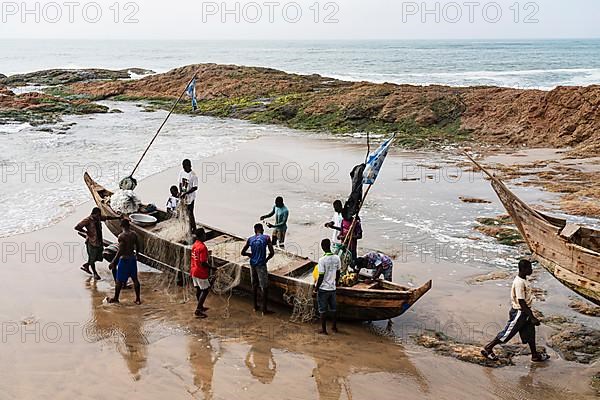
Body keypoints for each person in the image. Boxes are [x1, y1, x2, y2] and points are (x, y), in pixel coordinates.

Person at [481, 260, 550, 362]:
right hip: (519, 312)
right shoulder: (519, 283)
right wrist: (532, 317)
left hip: (525, 312)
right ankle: (488, 348)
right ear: (523, 269)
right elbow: (521, 301)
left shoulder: (524, 280)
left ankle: (535, 355)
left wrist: (530, 315)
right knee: (507, 334)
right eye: (529, 268)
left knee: (530, 334)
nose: (531, 270)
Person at [74, 207, 120, 280]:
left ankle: (86, 265)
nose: (99, 216)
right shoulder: (87, 220)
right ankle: (95, 273)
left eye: (99, 215)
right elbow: (77, 227)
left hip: (99, 241)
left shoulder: (98, 218)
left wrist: (117, 217)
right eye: (98, 215)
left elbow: (107, 217)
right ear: (94, 214)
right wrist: (86, 232)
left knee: (98, 256)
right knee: (92, 258)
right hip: (91, 242)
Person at [241, 223, 275, 314]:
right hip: (261, 265)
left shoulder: (250, 239)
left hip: (252, 264)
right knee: (264, 287)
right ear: (262, 230)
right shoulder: (266, 238)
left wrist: (250, 255)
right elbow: (272, 253)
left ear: (255, 231)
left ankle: (255, 306)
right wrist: (266, 259)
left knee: (254, 285)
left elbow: (243, 252)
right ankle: (264, 310)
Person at [108, 219, 141, 305]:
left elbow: (120, 251)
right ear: (129, 225)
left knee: (119, 281)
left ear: (121, 226)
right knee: (135, 279)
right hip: (132, 259)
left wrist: (113, 262)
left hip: (124, 260)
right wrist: (136, 254)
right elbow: (138, 246)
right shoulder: (134, 234)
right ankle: (138, 299)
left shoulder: (121, 236)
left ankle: (116, 298)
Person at [314, 238, 341, 335]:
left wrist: (316, 288)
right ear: (329, 246)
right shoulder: (337, 258)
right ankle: (334, 327)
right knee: (333, 309)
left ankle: (324, 330)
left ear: (322, 247)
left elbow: (321, 276)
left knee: (322, 310)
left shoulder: (322, 260)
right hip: (332, 288)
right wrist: (336, 282)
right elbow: (338, 272)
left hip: (323, 289)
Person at [191, 227, 211, 318]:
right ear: (202, 236)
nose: (205, 236)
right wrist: (212, 268)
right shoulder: (202, 247)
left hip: (194, 270)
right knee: (205, 290)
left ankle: (200, 306)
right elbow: (203, 262)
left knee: (199, 289)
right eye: (204, 234)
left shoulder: (195, 244)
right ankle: (198, 310)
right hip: (200, 272)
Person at [179, 159, 199, 231]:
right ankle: (186, 227)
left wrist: (186, 193)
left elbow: (195, 187)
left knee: (190, 213)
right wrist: (181, 192)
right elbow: (180, 183)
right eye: (183, 167)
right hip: (183, 196)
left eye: (185, 166)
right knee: (184, 212)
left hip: (190, 197)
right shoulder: (182, 172)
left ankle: (194, 228)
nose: (184, 168)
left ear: (189, 166)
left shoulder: (193, 175)